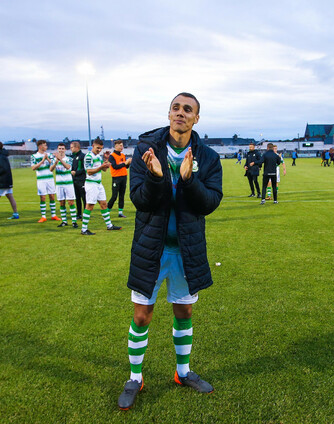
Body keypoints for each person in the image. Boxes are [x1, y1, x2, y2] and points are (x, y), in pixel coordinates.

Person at [118, 92, 222, 411]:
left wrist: (189, 180)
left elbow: (210, 203)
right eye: (176, 108)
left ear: (196, 118)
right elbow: (140, 200)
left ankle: (183, 372)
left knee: (184, 312)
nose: (180, 113)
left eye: (187, 109)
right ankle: (135, 378)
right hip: (151, 248)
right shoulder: (147, 151)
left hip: (186, 250)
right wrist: (154, 177)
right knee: (141, 314)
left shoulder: (207, 157)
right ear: (168, 114)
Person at [81, 138, 121, 235]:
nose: (99, 150)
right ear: (93, 146)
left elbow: (104, 170)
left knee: (104, 204)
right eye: (97, 148)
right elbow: (89, 171)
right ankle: (84, 229)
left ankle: (109, 225)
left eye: (101, 148)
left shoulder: (98, 157)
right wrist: (101, 167)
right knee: (90, 205)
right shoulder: (88, 157)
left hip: (98, 184)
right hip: (91, 184)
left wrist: (106, 161)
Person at [31, 140, 60, 223]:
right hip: (41, 180)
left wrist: (47, 158)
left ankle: (53, 215)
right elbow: (33, 168)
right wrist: (42, 160)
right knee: (43, 197)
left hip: (50, 179)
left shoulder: (49, 155)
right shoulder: (34, 156)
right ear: (40, 146)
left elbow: (53, 165)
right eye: (44, 145)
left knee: (52, 196)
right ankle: (43, 216)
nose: (46, 147)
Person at [0, 141, 19, 220]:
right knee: (10, 196)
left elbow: (4, 169)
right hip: (7, 179)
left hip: (2, 181)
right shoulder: (3, 155)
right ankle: (15, 214)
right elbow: (4, 168)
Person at [50, 143, 77, 228]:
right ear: (58, 149)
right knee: (61, 203)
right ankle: (64, 221)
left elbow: (68, 167)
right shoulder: (54, 159)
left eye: (62, 149)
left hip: (68, 183)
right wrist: (56, 162)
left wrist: (60, 160)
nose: (61, 150)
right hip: (59, 184)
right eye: (59, 149)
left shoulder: (69, 159)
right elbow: (51, 169)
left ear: (65, 150)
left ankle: (74, 221)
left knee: (71, 202)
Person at [107, 140, 132, 218]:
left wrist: (128, 163)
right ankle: (107, 211)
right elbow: (115, 166)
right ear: (116, 146)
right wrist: (125, 163)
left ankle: (120, 212)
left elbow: (125, 167)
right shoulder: (112, 156)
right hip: (116, 178)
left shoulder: (123, 155)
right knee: (114, 196)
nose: (122, 147)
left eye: (122, 145)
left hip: (124, 177)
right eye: (120, 145)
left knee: (122, 195)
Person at [70, 141, 86, 219]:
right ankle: (79, 214)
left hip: (81, 180)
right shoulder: (72, 157)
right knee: (77, 198)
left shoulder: (83, 156)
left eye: (72, 147)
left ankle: (85, 214)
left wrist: (76, 172)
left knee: (84, 198)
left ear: (77, 147)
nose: (71, 149)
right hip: (74, 180)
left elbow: (85, 169)